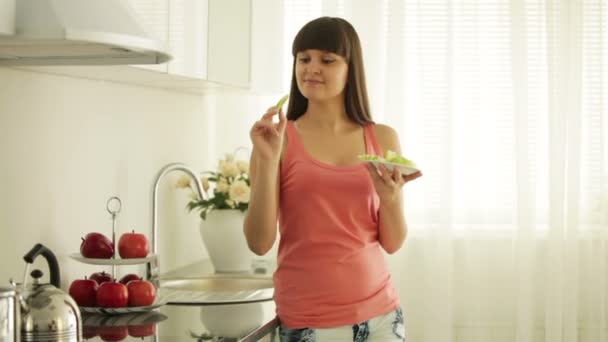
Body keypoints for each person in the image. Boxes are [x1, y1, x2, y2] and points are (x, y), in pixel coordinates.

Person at [244, 16, 422, 342]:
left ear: (350, 68)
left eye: (327, 60)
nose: (311, 68)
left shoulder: (382, 137)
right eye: (303, 58)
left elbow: (393, 243)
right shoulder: (276, 141)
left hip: (381, 314)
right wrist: (268, 163)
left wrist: (391, 199)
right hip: (308, 319)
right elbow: (259, 242)